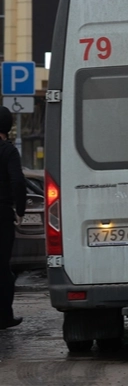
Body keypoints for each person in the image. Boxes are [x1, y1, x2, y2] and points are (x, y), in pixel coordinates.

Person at [0, 106, 26, 330]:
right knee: (2, 268)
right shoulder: (7, 151)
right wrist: (20, 209)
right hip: (1, 216)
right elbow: (18, 181)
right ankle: (4, 316)